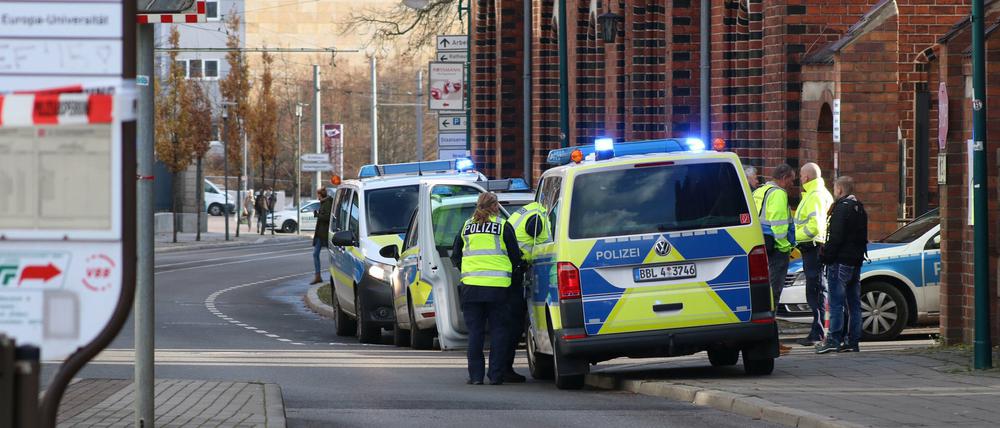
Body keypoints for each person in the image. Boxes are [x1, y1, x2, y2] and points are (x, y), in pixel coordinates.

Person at [450, 193, 522, 385]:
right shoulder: (502, 226)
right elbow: (516, 255)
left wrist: (468, 271)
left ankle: (475, 377)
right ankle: (496, 375)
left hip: (471, 289)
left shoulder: (466, 226)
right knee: (499, 332)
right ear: (495, 206)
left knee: (475, 333)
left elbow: (455, 255)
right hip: (498, 289)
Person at [816, 176, 868, 354]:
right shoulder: (859, 208)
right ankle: (853, 341)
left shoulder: (841, 209)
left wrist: (826, 257)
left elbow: (835, 237)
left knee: (836, 302)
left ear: (839, 190)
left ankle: (833, 339)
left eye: (835, 188)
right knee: (854, 303)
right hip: (855, 261)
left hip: (840, 261)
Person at [501, 201, 549, 383]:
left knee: (502, 327)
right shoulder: (538, 215)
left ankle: (499, 369)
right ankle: (504, 369)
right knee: (511, 327)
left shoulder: (523, 212)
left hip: (505, 276)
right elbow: (534, 242)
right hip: (518, 274)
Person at [752, 164, 796, 354]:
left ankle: (768, 341)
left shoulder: (760, 191)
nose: (792, 184)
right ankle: (772, 343)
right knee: (774, 295)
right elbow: (779, 225)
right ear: (784, 177)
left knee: (765, 295)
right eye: (791, 180)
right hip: (777, 250)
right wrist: (786, 247)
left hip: (762, 246)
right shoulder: (778, 194)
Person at [794, 163, 834, 347]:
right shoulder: (815, 193)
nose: (800, 179)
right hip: (813, 247)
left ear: (807, 177)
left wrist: (793, 236)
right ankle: (817, 330)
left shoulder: (815, 195)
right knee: (816, 289)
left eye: (801, 175)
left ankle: (818, 331)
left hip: (813, 247)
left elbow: (815, 227)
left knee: (816, 290)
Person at [311, 188, 333, 285]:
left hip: (325, 234)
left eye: (318, 194)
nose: (317, 196)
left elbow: (328, 217)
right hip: (320, 234)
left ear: (321, 195)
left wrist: (317, 215)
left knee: (333, 254)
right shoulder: (323, 203)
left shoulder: (327, 203)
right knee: (315, 254)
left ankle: (333, 275)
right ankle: (318, 276)